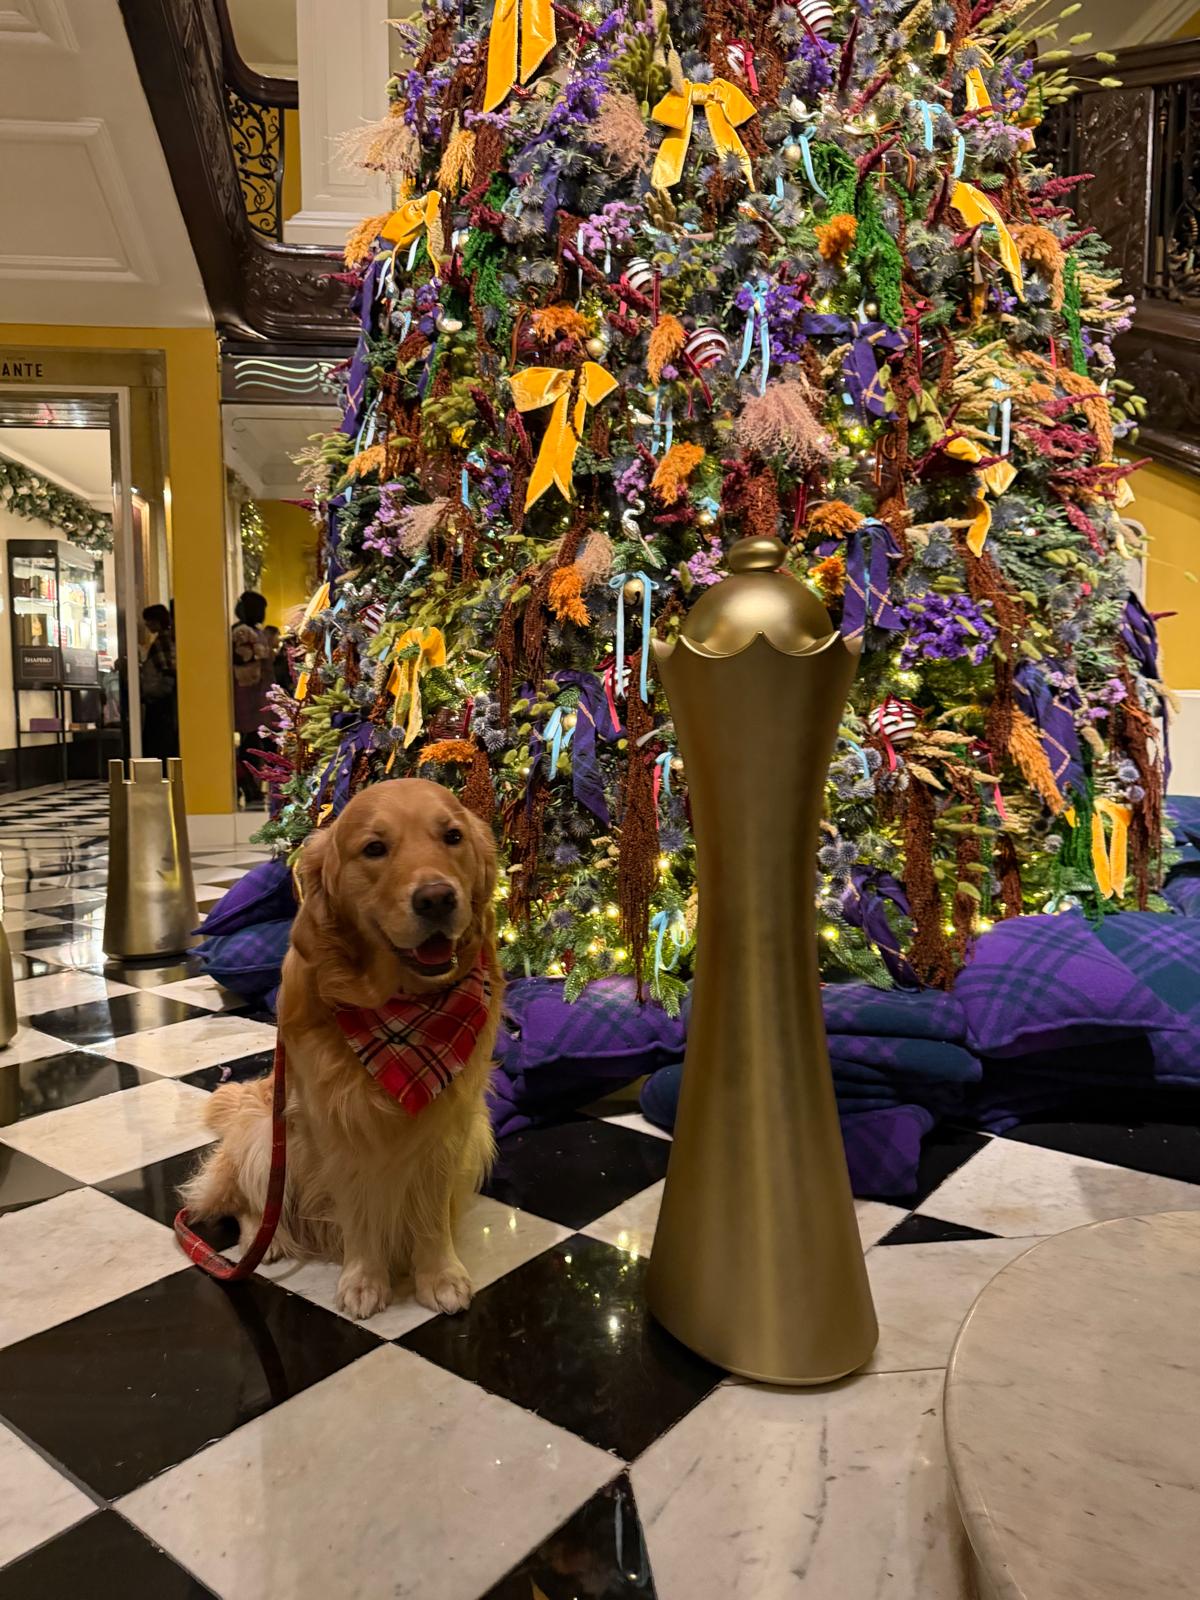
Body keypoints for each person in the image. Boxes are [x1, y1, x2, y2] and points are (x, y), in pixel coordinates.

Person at [232, 590, 274, 806]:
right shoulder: (241, 632)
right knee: (250, 743)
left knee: (256, 742)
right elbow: (243, 659)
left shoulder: (254, 631)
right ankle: (249, 785)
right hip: (248, 694)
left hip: (258, 694)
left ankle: (255, 785)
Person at [140, 603, 178, 764]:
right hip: (164, 697)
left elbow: (166, 669)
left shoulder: (162, 641)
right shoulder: (169, 639)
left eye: (148, 621)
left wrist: (155, 693)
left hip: (161, 699)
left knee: (158, 739)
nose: (147, 625)